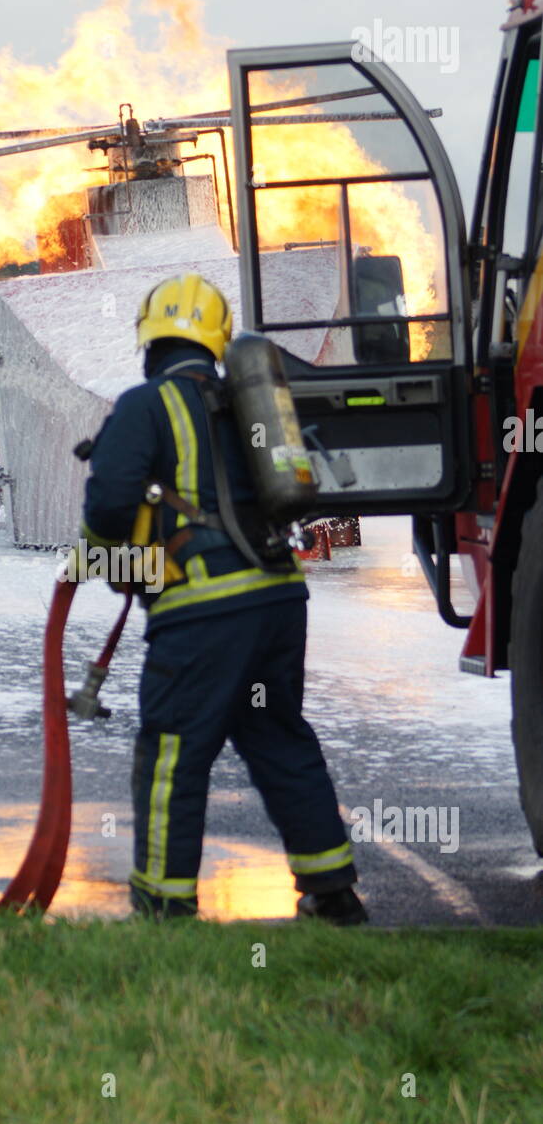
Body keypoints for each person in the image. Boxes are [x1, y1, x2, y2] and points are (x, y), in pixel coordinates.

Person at [80, 272, 366, 925]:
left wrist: (97, 554)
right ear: (215, 342)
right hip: (279, 600)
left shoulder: (145, 405)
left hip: (205, 612)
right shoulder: (247, 403)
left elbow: (110, 503)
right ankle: (332, 891)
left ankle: (164, 902)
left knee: (174, 748)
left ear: (148, 338)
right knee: (278, 735)